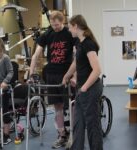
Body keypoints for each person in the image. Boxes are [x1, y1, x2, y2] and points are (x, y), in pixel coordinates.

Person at [29, 10, 75, 149]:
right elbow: (36, 54)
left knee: (70, 104)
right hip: (51, 74)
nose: (55, 27)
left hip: (66, 73)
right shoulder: (47, 34)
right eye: (52, 24)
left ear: (62, 22)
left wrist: (74, 75)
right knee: (57, 106)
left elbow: (77, 54)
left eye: (57, 24)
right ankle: (62, 134)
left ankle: (73, 133)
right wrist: (31, 73)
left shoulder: (69, 33)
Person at [62, 14, 103, 150]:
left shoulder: (88, 44)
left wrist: (84, 87)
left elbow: (97, 70)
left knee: (92, 125)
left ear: (76, 26)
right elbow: (76, 62)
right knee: (78, 125)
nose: (69, 30)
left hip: (90, 89)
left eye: (70, 27)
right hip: (82, 89)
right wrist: (67, 75)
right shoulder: (80, 42)